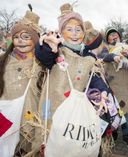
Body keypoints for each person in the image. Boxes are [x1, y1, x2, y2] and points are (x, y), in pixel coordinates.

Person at [35, 3, 111, 155]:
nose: (75, 33)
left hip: (77, 111)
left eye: (78, 29)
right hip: (53, 108)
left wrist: (103, 91)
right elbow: (44, 56)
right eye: (69, 29)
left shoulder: (88, 56)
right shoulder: (57, 51)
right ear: (61, 32)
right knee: (53, 142)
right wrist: (49, 46)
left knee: (73, 144)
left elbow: (94, 77)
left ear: (83, 33)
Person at [0, 8, 43, 156]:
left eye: (26, 36)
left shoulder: (40, 65)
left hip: (29, 120)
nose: (20, 40)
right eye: (17, 36)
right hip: (4, 119)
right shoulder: (3, 60)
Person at [104, 27, 128, 149]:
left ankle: (127, 135)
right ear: (107, 38)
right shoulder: (105, 48)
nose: (114, 36)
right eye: (111, 35)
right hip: (111, 87)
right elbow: (104, 57)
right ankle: (112, 134)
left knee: (127, 114)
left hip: (127, 87)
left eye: (116, 34)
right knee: (112, 113)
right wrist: (113, 56)